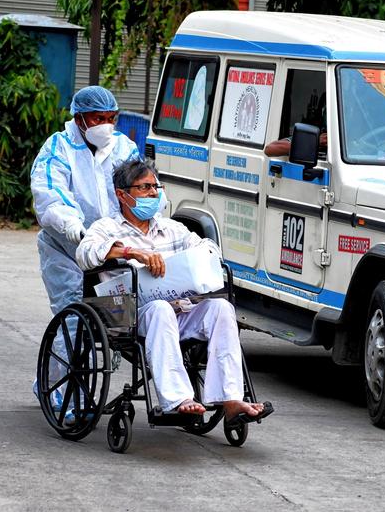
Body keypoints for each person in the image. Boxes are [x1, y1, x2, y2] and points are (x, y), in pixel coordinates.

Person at [76, 160, 270, 423]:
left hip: (180, 310)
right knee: (159, 308)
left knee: (221, 308)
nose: (154, 193)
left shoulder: (171, 229)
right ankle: (178, 400)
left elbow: (207, 247)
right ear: (122, 195)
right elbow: (85, 254)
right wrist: (132, 252)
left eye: (156, 186)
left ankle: (232, 399)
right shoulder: (105, 228)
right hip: (129, 315)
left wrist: (199, 258)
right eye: (145, 187)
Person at [30, 86, 141, 410]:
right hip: (65, 248)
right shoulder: (58, 148)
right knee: (73, 318)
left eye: (111, 118)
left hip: (112, 251)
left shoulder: (124, 147)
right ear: (79, 118)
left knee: (117, 324)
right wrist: (74, 227)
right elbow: (50, 193)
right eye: (97, 118)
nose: (105, 125)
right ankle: (60, 393)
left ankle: (54, 381)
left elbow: (137, 190)